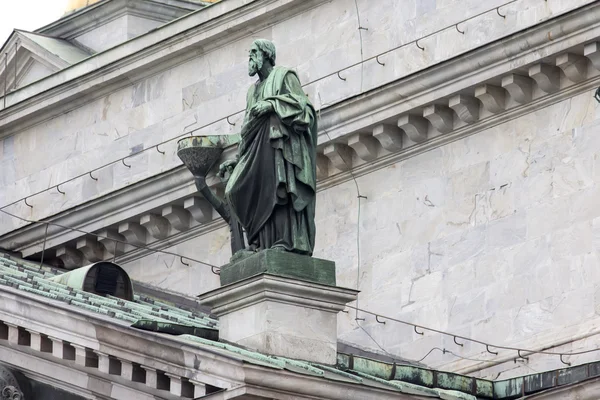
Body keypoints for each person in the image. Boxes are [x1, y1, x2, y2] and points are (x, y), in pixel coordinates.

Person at [219, 39, 318, 256]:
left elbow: (304, 109)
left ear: (266, 54)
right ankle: (259, 242)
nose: (250, 57)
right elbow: (248, 128)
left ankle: (283, 240)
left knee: (277, 190)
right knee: (234, 189)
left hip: (279, 148)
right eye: (249, 53)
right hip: (256, 149)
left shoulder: (284, 75)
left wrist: (272, 104)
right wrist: (237, 160)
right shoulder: (251, 92)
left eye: (254, 52)